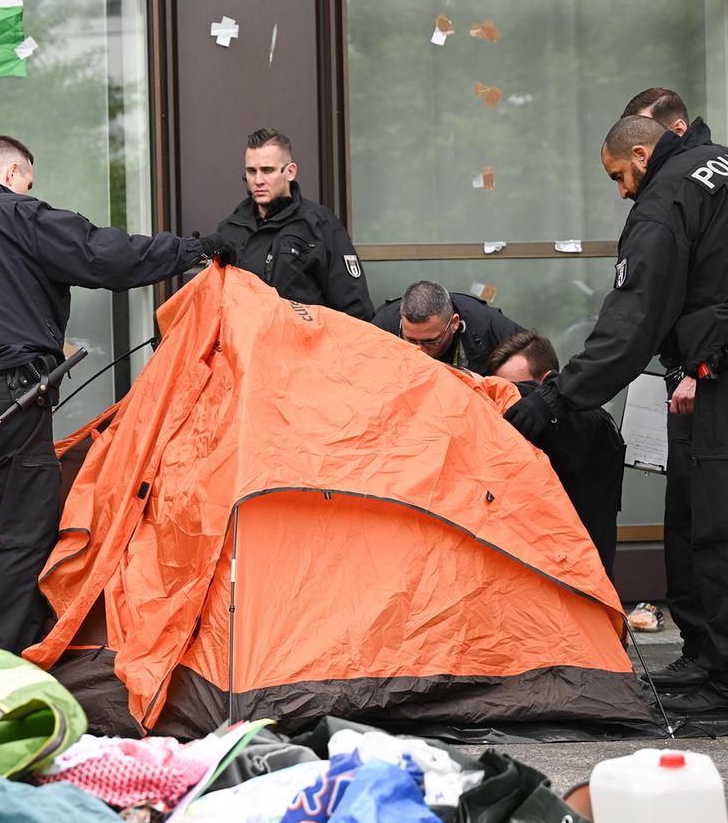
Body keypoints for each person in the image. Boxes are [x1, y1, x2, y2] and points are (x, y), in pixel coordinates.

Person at [506, 114, 728, 716]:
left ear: (643, 155)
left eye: (619, 175)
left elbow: (631, 323)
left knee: (725, 516)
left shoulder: (666, 197)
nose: (622, 190)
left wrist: (555, 398)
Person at [0, 134, 234, 652]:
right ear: (12, 174)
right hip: (14, 401)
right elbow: (105, 256)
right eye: (28, 182)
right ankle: (1, 662)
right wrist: (192, 249)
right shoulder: (20, 216)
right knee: (24, 536)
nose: (29, 191)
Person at [622, 88, 728, 690]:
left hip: (715, 371)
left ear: (673, 130)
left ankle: (726, 656)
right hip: (714, 364)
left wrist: (696, 366)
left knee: (712, 519)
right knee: (716, 516)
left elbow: (726, 289)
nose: (629, 182)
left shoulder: (690, 183)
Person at [489, 331, 623, 576]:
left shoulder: (587, 423)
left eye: (521, 390)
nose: (512, 402)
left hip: (576, 576)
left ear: (549, 380)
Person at [213, 127, 373, 320]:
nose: (258, 180)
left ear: (290, 172)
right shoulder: (231, 228)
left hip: (306, 345)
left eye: (267, 170)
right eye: (251, 171)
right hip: (244, 346)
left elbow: (354, 307)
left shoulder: (320, 224)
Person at [373, 280, 526, 375]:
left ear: (454, 323)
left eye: (431, 341)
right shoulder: (379, 330)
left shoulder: (485, 323)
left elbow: (539, 360)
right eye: (411, 340)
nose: (420, 351)